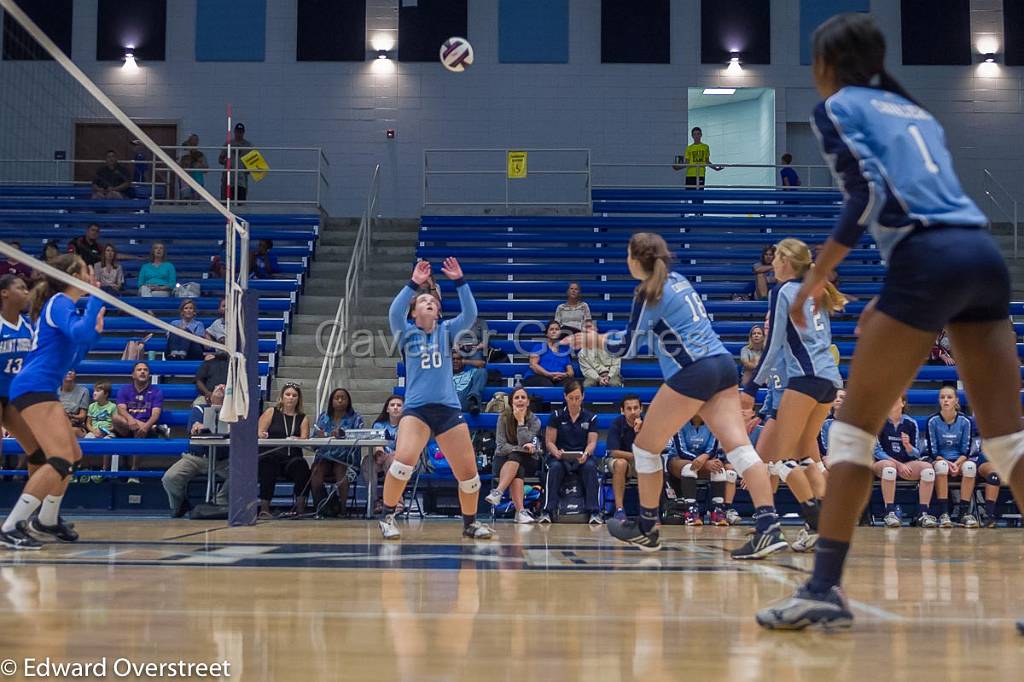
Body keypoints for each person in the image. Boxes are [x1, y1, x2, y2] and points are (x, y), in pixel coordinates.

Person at [756, 13, 1024, 631]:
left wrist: (814, 280)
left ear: (826, 65)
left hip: (926, 260)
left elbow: (865, 197)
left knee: (851, 437)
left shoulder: (837, 108)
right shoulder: (917, 111)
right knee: (1007, 442)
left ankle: (823, 589)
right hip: (983, 256)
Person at [564, 232, 783, 557]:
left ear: (637, 261)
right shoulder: (678, 279)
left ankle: (647, 528)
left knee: (645, 448)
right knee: (740, 450)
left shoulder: (648, 291)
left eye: (628, 255)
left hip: (694, 371)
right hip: (723, 363)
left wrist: (591, 339)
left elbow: (627, 346)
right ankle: (769, 526)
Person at [379, 258, 495, 540]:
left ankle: (469, 524)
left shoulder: (447, 331)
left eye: (433, 301)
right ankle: (388, 516)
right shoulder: (406, 333)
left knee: (469, 475)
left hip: (447, 409)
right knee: (403, 462)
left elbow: (470, 313)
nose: (429, 302)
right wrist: (413, 284)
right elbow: (394, 312)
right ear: (415, 311)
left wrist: (460, 280)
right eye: (423, 301)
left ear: (439, 310)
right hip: (417, 410)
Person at [0, 255, 104, 548]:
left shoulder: (63, 306)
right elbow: (79, 332)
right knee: (57, 458)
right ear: (73, 275)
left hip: (42, 386)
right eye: (85, 270)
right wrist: (96, 297)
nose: (89, 275)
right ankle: (11, 525)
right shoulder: (60, 301)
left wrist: (94, 333)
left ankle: (47, 518)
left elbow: (76, 348)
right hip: (34, 385)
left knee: (73, 456)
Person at [748, 238, 845, 553]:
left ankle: (818, 523)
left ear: (786, 262)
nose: (772, 263)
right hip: (830, 380)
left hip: (805, 379)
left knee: (779, 462)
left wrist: (750, 387)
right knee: (808, 456)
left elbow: (774, 343)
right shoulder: (816, 290)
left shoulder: (783, 292)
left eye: (775, 258)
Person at [538, 380, 602, 525]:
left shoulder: (591, 417)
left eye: (577, 398)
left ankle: (594, 512)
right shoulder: (556, 416)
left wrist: (586, 454)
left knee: (591, 468)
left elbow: (592, 442)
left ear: (583, 397)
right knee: (554, 468)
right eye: (571, 398)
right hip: (560, 457)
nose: (574, 402)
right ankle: (547, 511)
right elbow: (549, 442)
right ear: (565, 397)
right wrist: (556, 452)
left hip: (582, 457)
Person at [162, 384, 229, 517]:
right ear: (209, 396)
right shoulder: (199, 409)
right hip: (195, 458)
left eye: (224, 388)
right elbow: (194, 430)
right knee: (170, 478)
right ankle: (179, 504)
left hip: (223, 460)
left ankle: (220, 502)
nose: (221, 389)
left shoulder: (232, 413)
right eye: (218, 388)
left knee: (242, 473)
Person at [873, 395, 937, 528]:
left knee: (928, 470)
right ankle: (889, 513)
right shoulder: (879, 422)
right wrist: (898, 464)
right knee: (889, 468)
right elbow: (877, 452)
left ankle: (923, 513)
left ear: (903, 403)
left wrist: (908, 447)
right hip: (883, 462)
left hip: (905, 463)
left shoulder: (910, 423)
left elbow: (917, 453)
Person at [484, 386, 542, 524]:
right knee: (517, 466)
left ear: (528, 402)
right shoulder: (503, 418)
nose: (520, 400)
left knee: (517, 458)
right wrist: (519, 448)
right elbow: (501, 446)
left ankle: (498, 491)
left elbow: (528, 443)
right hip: (503, 459)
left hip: (529, 460)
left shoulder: (535, 421)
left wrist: (521, 422)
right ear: (511, 402)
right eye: (517, 397)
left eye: (523, 397)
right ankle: (520, 512)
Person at [257, 383, 311, 518]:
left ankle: (300, 509)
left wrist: (297, 439)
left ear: (298, 399)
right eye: (288, 395)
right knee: (268, 464)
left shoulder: (302, 418)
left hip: (291, 459)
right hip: (272, 455)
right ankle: (264, 508)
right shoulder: (271, 412)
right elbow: (260, 431)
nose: (291, 398)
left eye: (294, 395)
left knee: (302, 465)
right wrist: (262, 434)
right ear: (281, 397)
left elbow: (305, 438)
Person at [666, 415, 731, 526]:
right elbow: (681, 451)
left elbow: (712, 449)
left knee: (719, 470)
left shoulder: (714, 423)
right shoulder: (678, 421)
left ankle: (717, 511)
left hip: (705, 460)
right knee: (689, 469)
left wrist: (704, 459)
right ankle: (691, 511)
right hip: (679, 460)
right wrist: (703, 463)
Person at [925, 386, 974, 528]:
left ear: (956, 400)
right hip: (940, 459)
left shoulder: (965, 421)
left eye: (949, 397)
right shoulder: (932, 421)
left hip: (960, 460)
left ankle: (963, 513)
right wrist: (948, 463)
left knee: (970, 468)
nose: (946, 400)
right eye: (942, 397)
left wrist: (957, 464)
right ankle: (944, 513)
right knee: (942, 467)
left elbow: (966, 450)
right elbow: (932, 452)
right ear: (939, 401)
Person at [309, 388, 364, 516]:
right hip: (325, 458)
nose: (340, 400)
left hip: (346, 460)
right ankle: (321, 508)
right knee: (316, 470)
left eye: (343, 398)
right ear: (331, 401)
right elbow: (313, 444)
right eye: (336, 398)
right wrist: (319, 436)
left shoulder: (356, 418)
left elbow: (359, 438)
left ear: (348, 401)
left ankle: (343, 509)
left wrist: (343, 435)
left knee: (340, 469)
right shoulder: (324, 417)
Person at [605, 395, 643, 522]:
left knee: (649, 465)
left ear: (641, 409)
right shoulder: (616, 424)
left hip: (639, 463)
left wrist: (639, 433)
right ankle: (619, 509)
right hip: (619, 461)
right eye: (629, 408)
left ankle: (648, 510)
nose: (633, 412)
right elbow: (614, 452)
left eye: (636, 408)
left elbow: (652, 451)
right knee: (621, 464)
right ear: (622, 411)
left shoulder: (647, 424)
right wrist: (636, 456)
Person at [112, 362, 166, 447]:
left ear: (149, 375)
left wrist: (146, 427)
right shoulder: (124, 389)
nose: (142, 372)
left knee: (139, 435)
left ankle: (150, 429)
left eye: (145, 370)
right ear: (133, 375)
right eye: (139, 370)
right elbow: (121, 409)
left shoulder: (157, 391)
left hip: (147, 428)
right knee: (116, 417)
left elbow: (155, 414)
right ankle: (156, 429)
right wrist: (130, 419)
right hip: (127, 427)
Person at [370, 395, 403, 514]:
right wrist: (379, 453)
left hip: (401, 459)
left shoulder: (407, 425)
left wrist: (386, 456)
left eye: (399, 405)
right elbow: (376, 442)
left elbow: (403, 448)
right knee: (367, 463)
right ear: (387, 409)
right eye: (392, 405)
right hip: (382, 457)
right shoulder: (379, 424)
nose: (395, 408)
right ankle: (375, 501)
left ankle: (397, 502)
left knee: (392, 460)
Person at [524, 321, 574, 388]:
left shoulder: (564, 350)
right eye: (551, 329)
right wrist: (548, 374)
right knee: (547, 384)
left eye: (557, 329)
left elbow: (571, 371)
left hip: (559, 379)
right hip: (537, 377)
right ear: (547, 333)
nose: (554, 331)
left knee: (571, 385)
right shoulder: (539, 347)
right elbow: (533, 365)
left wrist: (564, 375)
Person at [673, 126, 722, 193]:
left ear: (701, 135)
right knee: (689, 194)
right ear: (692, 136)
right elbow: (687, 163)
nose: (696, 136)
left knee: (699, 194)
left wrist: (715, 168)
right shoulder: (689, 148)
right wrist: (678, 167)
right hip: (690, 174)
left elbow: (707, 161)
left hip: (700, 174)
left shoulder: (705, 147)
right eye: (695, 134)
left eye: (698, 134)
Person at [579, 320, 622, 388]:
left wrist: (608, 376)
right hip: (593, 377)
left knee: (614, 384)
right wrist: (599, 378)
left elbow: (616, 365)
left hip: (611, 375)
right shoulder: (582, 353)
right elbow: (587, 370)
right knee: (587, 385)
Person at [219, 123, 253, 201]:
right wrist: (225, 162)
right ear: (234, 132)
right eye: (237, 132)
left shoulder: (248, 146)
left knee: (240, 200)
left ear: (243, 133)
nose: (239, 134)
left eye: (240, 132)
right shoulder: (228, 144)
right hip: (229, 177)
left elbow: (253, 162)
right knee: (226, 200)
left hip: (241, 178)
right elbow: (220, 159)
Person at [57, 370, 89, 438]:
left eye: (71, 370)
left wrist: (70, 416)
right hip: (57, 424)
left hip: (75, 426)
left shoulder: (83, 391)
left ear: (75, 374)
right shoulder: (54, 391)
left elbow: (82, 416)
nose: (69, 372)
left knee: (72, 431)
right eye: (66, 369)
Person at [178, 134, 208, 200]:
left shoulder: (200, 155)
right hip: (185, 180)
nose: (194, 142)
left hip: (198, 179)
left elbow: (206, 169)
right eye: (192, 140)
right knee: (185, 199)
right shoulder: (183, 154)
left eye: (196, 140)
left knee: (196, 201)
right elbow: (179, 165)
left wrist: (199, 162)